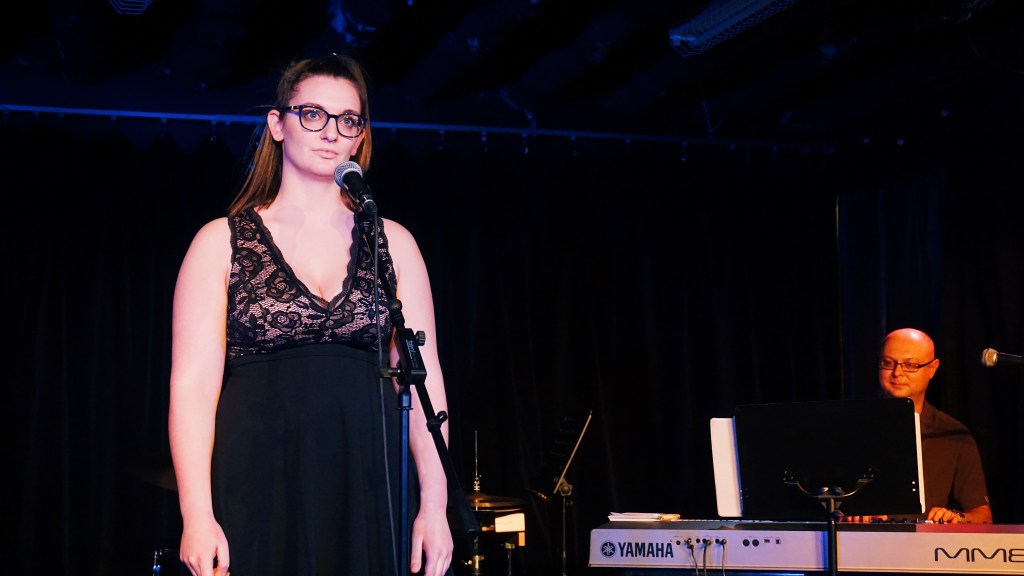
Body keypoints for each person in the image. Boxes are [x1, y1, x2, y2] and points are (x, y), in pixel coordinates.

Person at [168, 54, 453, 576]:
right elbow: (193, 388)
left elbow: (422, 381)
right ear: (278, 124)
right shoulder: (220, 242)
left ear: (360, 136)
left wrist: (434, 508)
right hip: (259, 483)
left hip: (368, 483)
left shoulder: (392, 242)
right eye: (313, 114)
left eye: (348, 120)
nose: (331, 132)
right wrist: (197, 514)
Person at [842, 327, 993, 524]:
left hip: (926, 541)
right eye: (888, 363)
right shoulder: (849, 427)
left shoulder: (952, 434)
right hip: (859, 541)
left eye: (910, 365)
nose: (897, 373)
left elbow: (983, 516)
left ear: (932, 369)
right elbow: (821, 503)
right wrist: (846, 514)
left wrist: (956, 517)